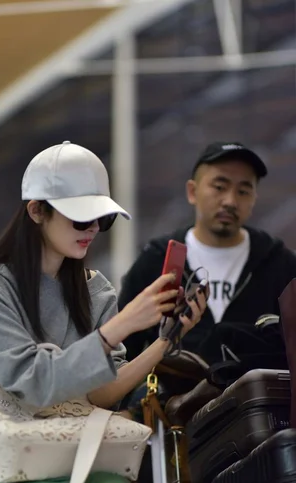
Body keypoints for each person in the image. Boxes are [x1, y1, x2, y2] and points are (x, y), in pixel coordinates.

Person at [0, 141, 206, 483]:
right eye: (79, 217)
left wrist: (166, 341)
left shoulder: (97, 291)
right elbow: (33, 382)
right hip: (15, 453)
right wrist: (121, 325)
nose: (92, 229)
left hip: (87, 446)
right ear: (35, 211)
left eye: (101, 219)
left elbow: (102, 394)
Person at [118, 141, 296, 362]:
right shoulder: (157, 260)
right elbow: (122, 350)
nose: (230, 201)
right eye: (219, 187)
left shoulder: (280, 264)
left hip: (258, 395)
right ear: (192, 191)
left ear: (253, 199)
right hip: (171, 394)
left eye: (243, 191)